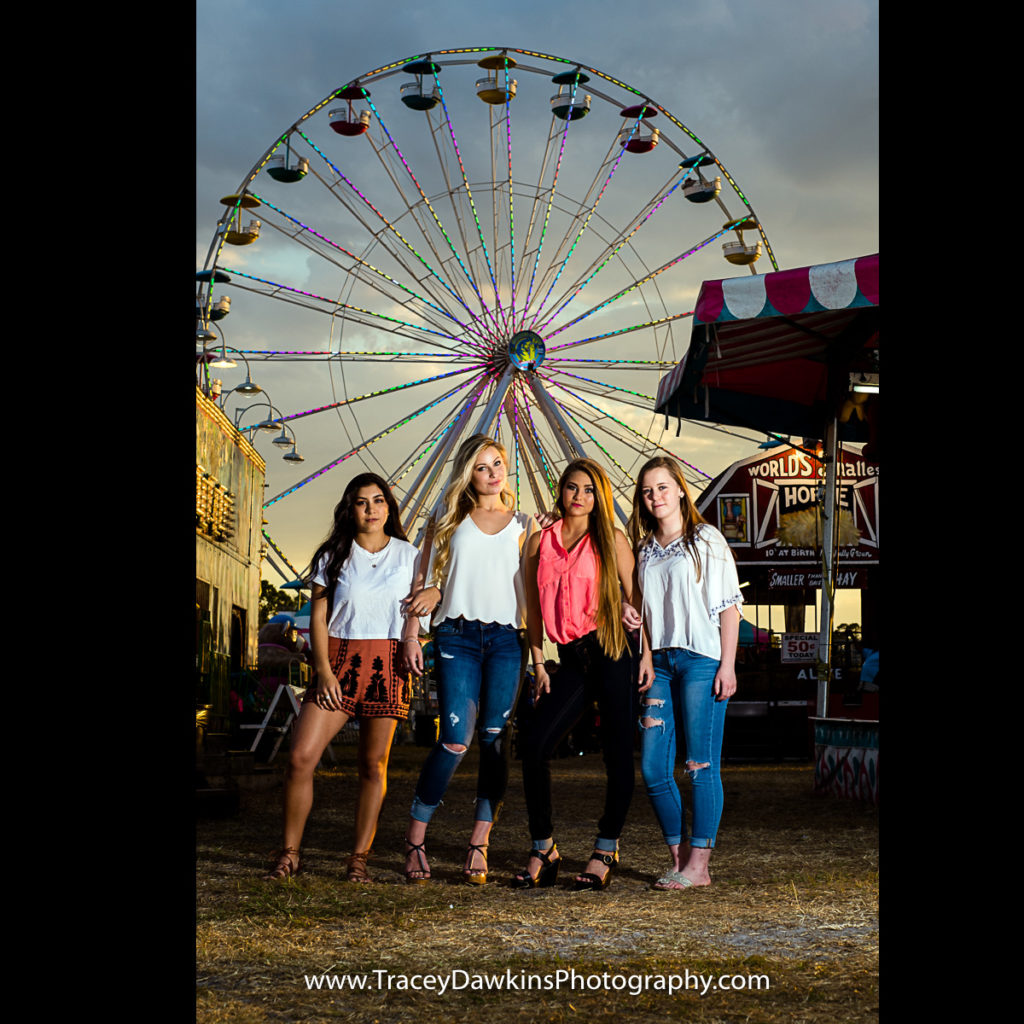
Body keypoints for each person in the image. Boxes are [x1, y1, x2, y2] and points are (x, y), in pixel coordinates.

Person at [263, 473, 421, 883]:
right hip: (339, 660)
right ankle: (290, 853)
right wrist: (323, 671)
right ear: (349, 509)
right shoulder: (332, 556)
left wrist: (434, 595)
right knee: (300, 758)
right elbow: (318, 618)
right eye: (362, 502)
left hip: (387, 662)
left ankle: (359, 860)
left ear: (389, 507)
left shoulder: (410, 556)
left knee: (373, 766)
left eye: (378, 500)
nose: (371, 509)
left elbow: (425, 601)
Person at [401, 434, 536, 885]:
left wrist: (538, 652)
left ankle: (479, 842)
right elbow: (423, 582)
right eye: (482, 466)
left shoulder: (525, 523)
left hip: (507, 639)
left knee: (496, 739)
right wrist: (412, 634)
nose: (493, 472)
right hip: (456, 634)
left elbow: (536, 586)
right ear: (468, 473)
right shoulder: (444, 518)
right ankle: (416, 837)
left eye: (498, 463)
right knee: (455, 739)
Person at [514, 458, 640, 892]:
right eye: (572, 488)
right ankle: (544, 847)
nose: (579, 497)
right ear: (560, 491)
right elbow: (531, 608)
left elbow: (636, 600)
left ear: (599, 495)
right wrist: (536, 663)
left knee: (617, 751)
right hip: (568, 658)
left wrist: (644, 654)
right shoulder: (538, 542)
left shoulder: (613, 540)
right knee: (533, 744)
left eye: (588, 489)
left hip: (612, 649)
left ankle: (606, 848)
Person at [630, 456, 742, 891]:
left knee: (700, 764)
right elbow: (641, 614)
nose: (655, 496)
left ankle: (700, 864)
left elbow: (728, 608)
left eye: (662, 487)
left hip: (701, 660)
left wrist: (727, 665)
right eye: (647, 491)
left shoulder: (706, 540)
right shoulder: (643, 550)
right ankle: (679, 858)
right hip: (658, 662)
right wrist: (643, 653)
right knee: (654, 768)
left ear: (679, 489)